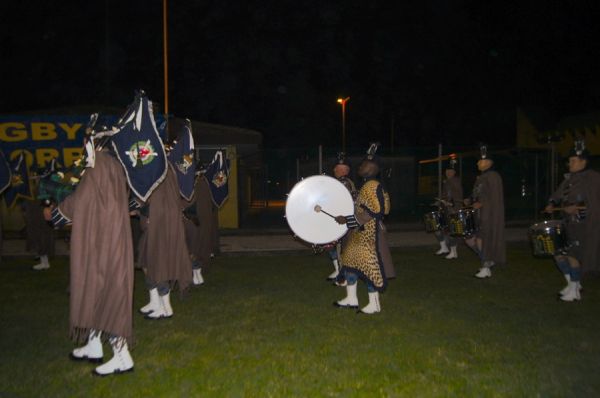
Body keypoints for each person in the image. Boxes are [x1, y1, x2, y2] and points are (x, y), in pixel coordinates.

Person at [44, 132, 135, 376]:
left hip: (102, 242)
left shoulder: (97, 166)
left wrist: (55, 213)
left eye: (87, 143)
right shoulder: (116, 166)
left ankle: (122, 357)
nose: (84, 148)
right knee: (97, 290)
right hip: (110, 238)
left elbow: (82, 200)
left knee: (108, 294)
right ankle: (94, 346)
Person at [334, 143, 394, 314]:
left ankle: (374, 304)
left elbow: (377, 210)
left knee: (369, 268)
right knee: (350, 263)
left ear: (373, 167)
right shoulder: (366, 185)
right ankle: (351, 298)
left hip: (369, 235)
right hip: (359, 235)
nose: (360, 167)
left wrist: (349, 220)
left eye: (364, 164)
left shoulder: (373, 186)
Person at [544, 139, 600, 301]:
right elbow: (558, 194)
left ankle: (574, 291)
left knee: (572, 256)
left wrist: (577, 206)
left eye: (573, 161)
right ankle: (572, 284)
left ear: (583, 161)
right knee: (558, 253)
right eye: (569, 161)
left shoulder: (593, 177)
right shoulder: (569, 179)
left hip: (582, 224)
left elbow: (594, 201)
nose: (570, 164)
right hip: (567, 223)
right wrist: (551, 204)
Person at [137, 161, 193, 319]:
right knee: (146, 262)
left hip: (160, 226)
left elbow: (161, 201)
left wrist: (150, 214)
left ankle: (166, 307)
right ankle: (155, 301)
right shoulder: (157, 170)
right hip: (152, 225)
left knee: (158, 264)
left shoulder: (163, 171)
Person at [464, 144, 506, 278]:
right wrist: (469, 201)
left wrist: (481, 204)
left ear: (488, 162)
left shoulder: (493, 176)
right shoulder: (481, 178)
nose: (478, 163)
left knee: (483, 241)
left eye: (480, 160)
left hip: (489, 216)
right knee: (470, 240)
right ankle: (487, 261)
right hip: (479, 215)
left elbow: (495, 197)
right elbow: (478, 195)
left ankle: (486, 266)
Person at [184, 164, 219, 285]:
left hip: (195, 219)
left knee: (195, 246)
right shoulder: (207, 184)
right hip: (202, 219)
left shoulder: (198, 185)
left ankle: (197, 273)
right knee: (201, 244)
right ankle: (198, 274)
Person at [326, 153, 357, 283]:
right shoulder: (340, 182)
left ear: (347, 170)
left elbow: (343, 203)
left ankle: (343, 276)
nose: (338, 170)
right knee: (330, 245)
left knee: (340, 248)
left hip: (343, 220)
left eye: (342, 168)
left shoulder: (344, 182)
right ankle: (339, 270)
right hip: (340, 218)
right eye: (338, 168)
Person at [433, 156, 463, 259]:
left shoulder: (455, 181)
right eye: (447, 171)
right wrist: (439, 202)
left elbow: (458, 196)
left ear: (454, 172)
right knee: (437, 227)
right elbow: (446, 195)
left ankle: (454, 252)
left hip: (453, 210)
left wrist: (451, 203)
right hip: (446, 209)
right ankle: (444, 247)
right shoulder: (447, 182)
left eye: (450, 171)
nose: (448, 172)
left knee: (451, 231)